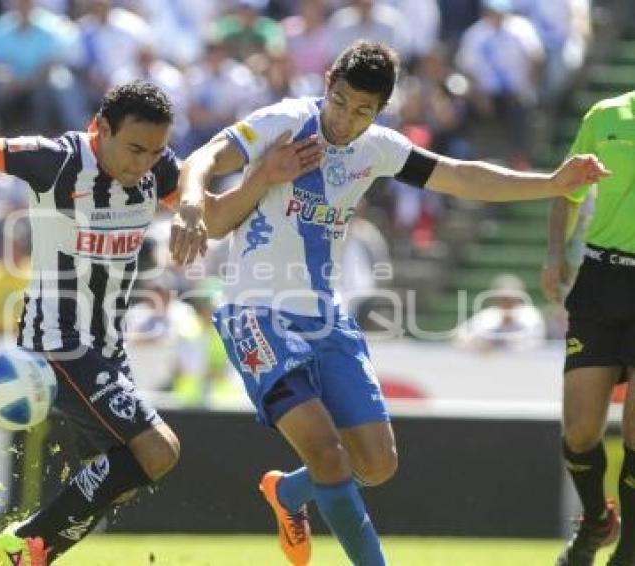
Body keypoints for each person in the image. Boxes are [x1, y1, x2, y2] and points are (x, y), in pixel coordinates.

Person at [0, 77, 319, 565]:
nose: (145, 163)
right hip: (57, 343)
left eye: (157, 152)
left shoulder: (156, 171)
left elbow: (218, 217)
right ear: (101, 128)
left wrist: (264, 177)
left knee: (128, 473)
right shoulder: (57, 162)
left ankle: (27, 551)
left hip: (106, 348)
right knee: (157, 449)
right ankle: (26, 544)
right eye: (135, 149)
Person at [174, 41, 609, 566]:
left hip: (325, 315)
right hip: (255, 312)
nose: (346, 119)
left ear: (380, 110)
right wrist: (193, 209)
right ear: (328, 81)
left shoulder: (376, 148)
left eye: (363, 111)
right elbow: (202, 159)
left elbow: (461, 175)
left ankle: (288, 493)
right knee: (327, 452)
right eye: (340, 102)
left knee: (377, 463)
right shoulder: (284, 122)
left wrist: (550, 183)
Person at [541, 91, 635, 566]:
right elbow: (569, 188)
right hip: (601, 281)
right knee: (579, 431)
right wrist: (555, 253)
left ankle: (631, 548)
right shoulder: (606, 114)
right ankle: (598, 520)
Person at [452, 273, 546, 352]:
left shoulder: (531, 315)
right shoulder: (487, 315)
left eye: (510, 298)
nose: (506, 301)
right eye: (502, 298)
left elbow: (534, 344)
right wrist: (478, 344)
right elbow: (460, 337)